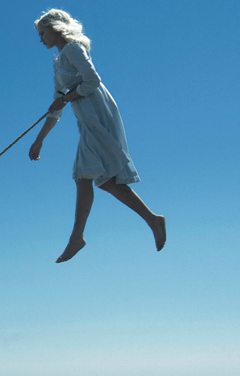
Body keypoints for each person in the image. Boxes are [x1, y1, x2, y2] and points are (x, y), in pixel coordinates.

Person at [28, 9, 166, 263]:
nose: (41, 39)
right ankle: (152, 219)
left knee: (85, 175)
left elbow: (92, 80)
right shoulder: (59, 61)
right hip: (86, 118)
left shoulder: (73, 48)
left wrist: (66, 98)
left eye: (42, 32)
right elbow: (57, 106)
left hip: (98, 113)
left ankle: (77, 237)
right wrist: (40, 139)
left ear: (55, 27)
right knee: (104, 181)